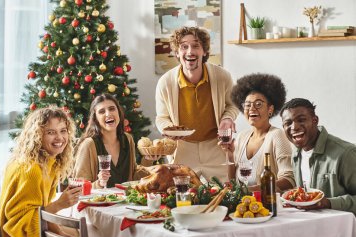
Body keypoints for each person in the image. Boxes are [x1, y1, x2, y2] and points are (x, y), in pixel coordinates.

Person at [155, 26, 238, 183]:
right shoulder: (165, 82)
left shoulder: (222, 76)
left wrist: (227, 118)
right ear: (177, 53)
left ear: (204, 51)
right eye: (184, 46)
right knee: (180, 198)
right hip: (183, 149)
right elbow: (161, 117)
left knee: (225, 194)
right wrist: (168, 130)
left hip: (216, 147)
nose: (190, 51)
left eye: (196, 46)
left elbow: (232, 105)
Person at [0, 107, 80, 237]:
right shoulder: (31, 170)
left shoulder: (47, 164)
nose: (60, 138)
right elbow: (21, 223)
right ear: (37, 135)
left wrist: (61, 234)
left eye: (63, 130)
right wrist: (59, 204)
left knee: (77, 236)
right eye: (51, 132)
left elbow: (41, 211)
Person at [280, 98, 356, 214]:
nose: (294, 127)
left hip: (343, 229)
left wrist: (328, 203)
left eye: (301, 120)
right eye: (288, 123)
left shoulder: (345, 153)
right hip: (311, 225)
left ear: (315, 120)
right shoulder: (296, 154)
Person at [228, 73, 295, 192]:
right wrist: (229, 155)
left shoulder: (277, 136)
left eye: (258, 104)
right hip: (243, 206)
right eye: (247, 105)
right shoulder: (241, 137)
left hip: (268, 205)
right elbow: (234, 183)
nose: (252, 109)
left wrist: (250, 190)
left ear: (270, 109)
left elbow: (289, 180)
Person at [74, 94, 149, 188]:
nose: (108, 114)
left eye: (112, 109)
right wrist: (99, 183)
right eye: (102, 111)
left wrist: (148, 159)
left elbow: (134, 178)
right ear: (95, 119)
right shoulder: (89, 145)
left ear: (119, 112)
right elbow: (79, 187)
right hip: (99, 201)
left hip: (127, 201)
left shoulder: (128, 139)